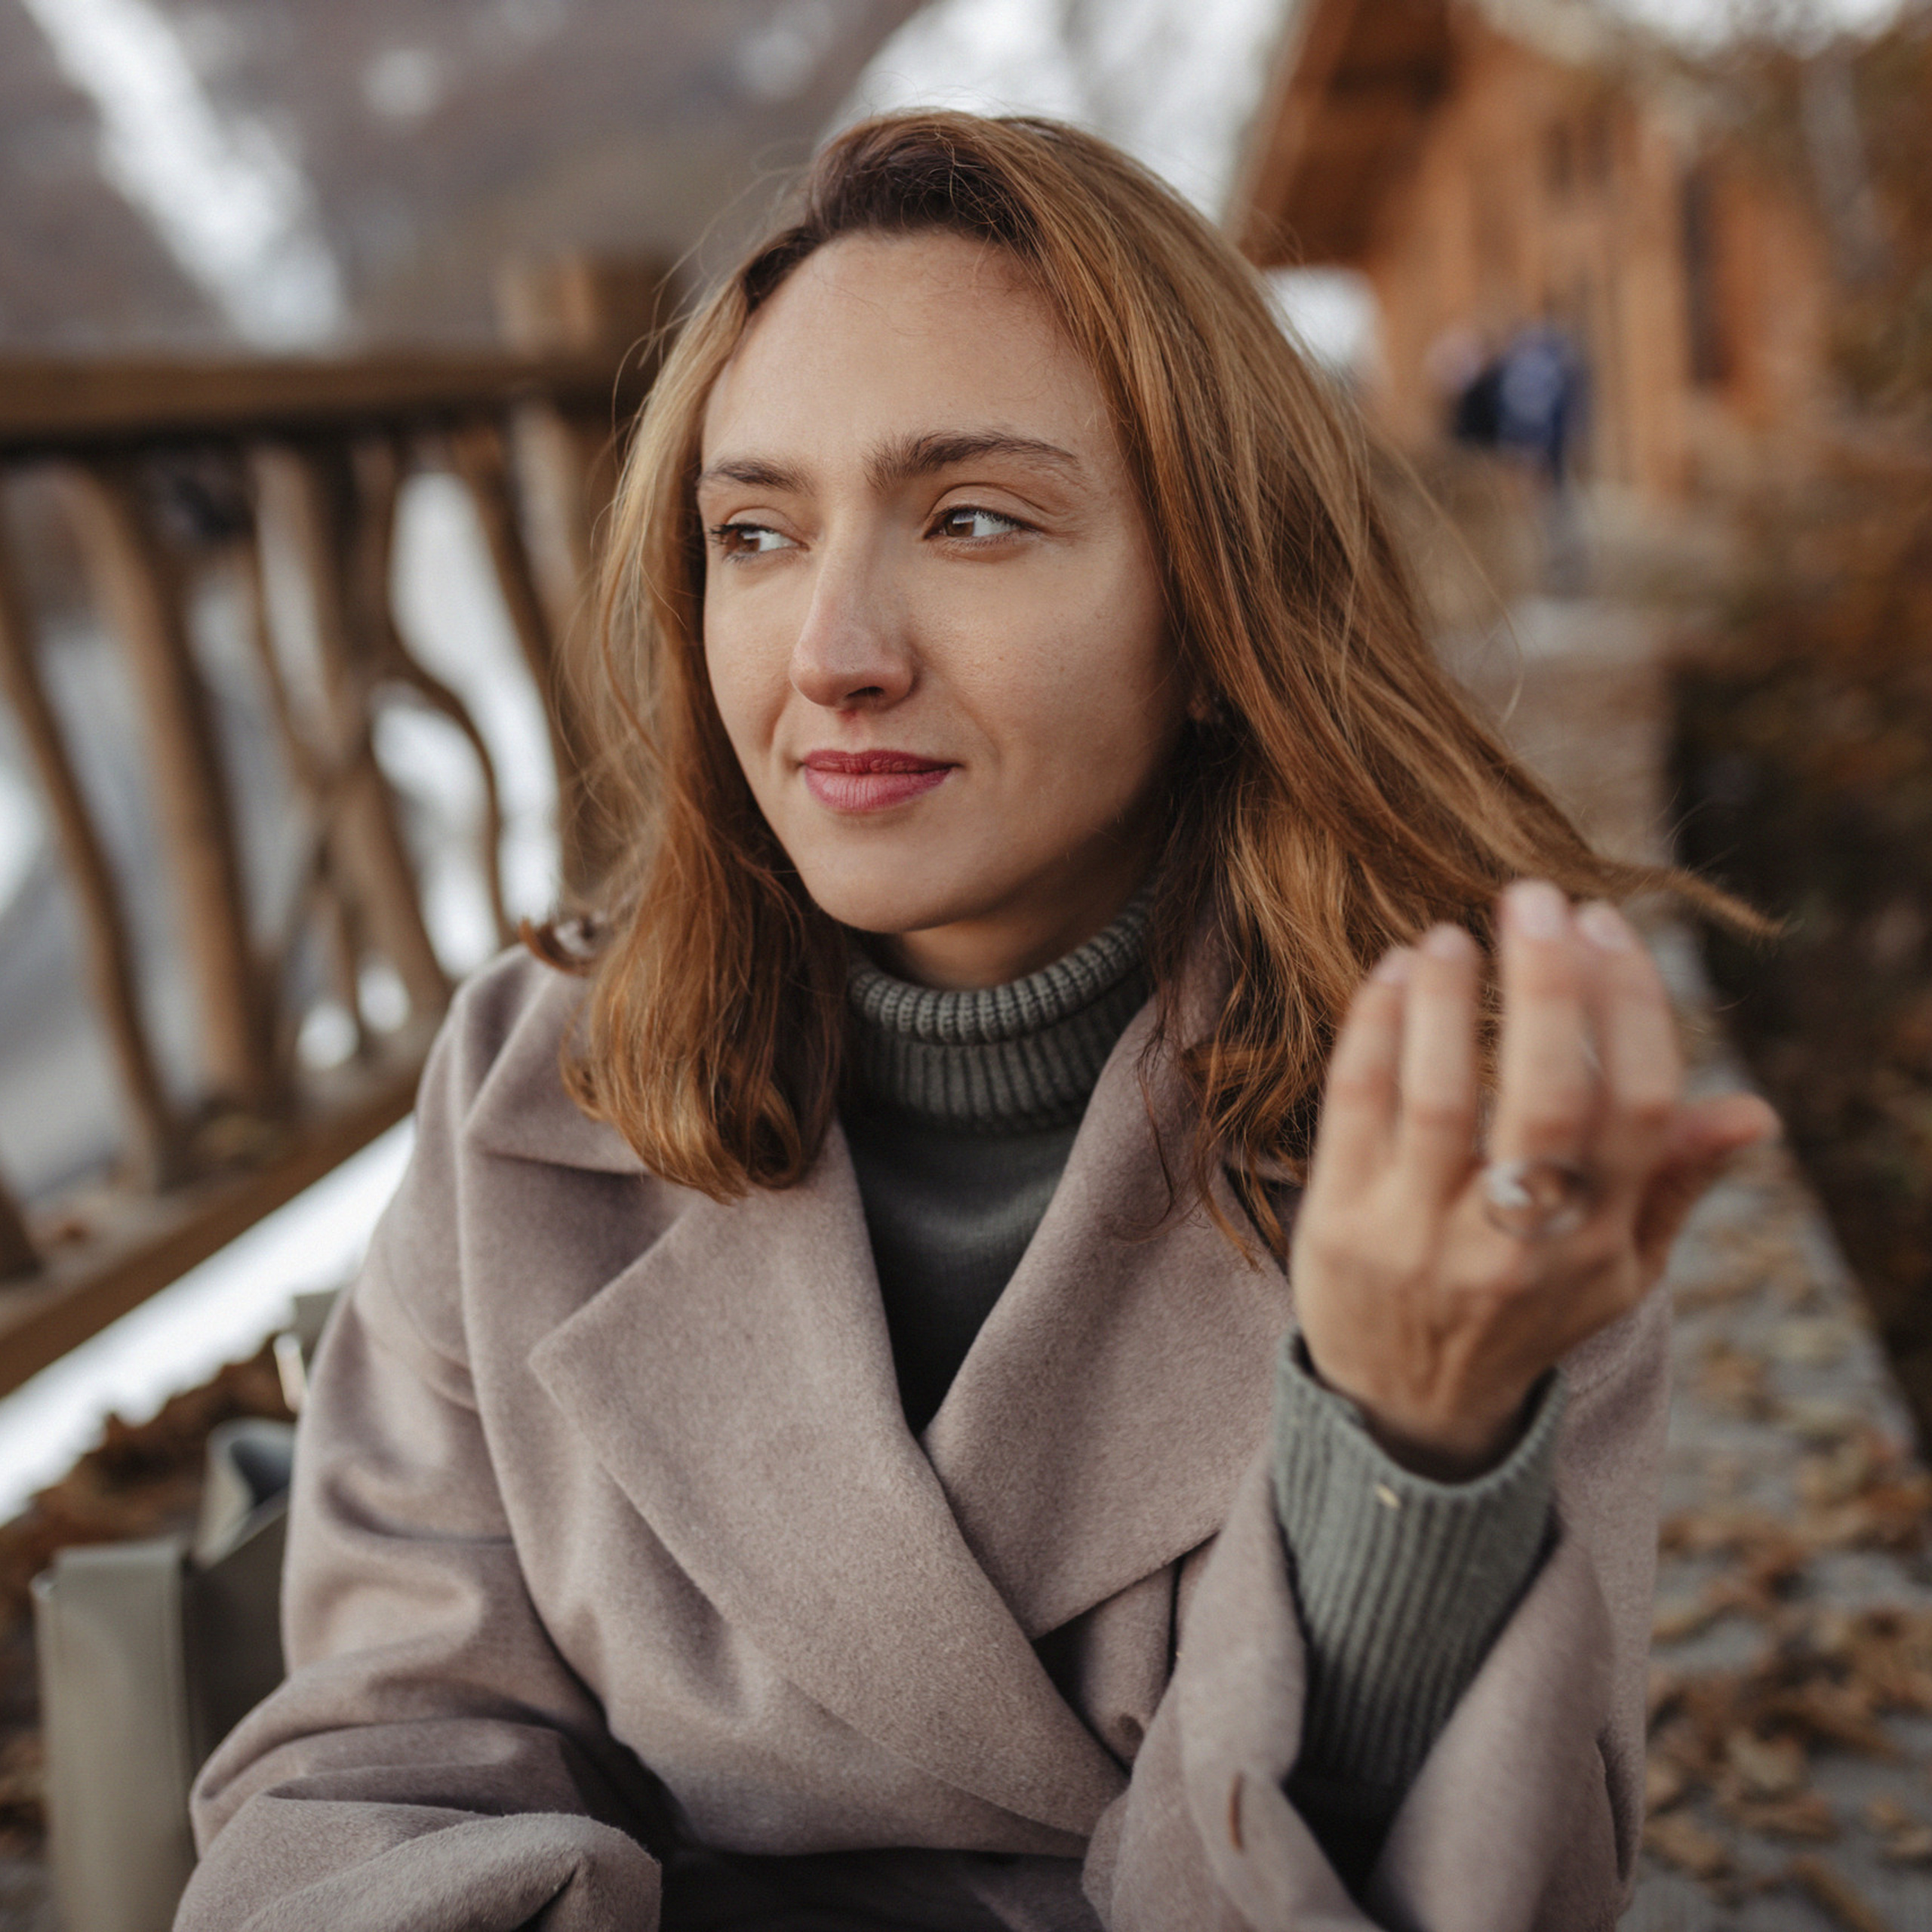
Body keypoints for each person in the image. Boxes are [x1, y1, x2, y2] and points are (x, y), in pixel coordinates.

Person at [177, 113, 1773, 1930]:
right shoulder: (529, 1092)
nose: (832, 648)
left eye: (973, 519)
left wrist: (1397, 1465)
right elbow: (376, 1771)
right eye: (756, 531)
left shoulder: (1462, 1133)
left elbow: (1473, 1893)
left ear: (1211, 609)